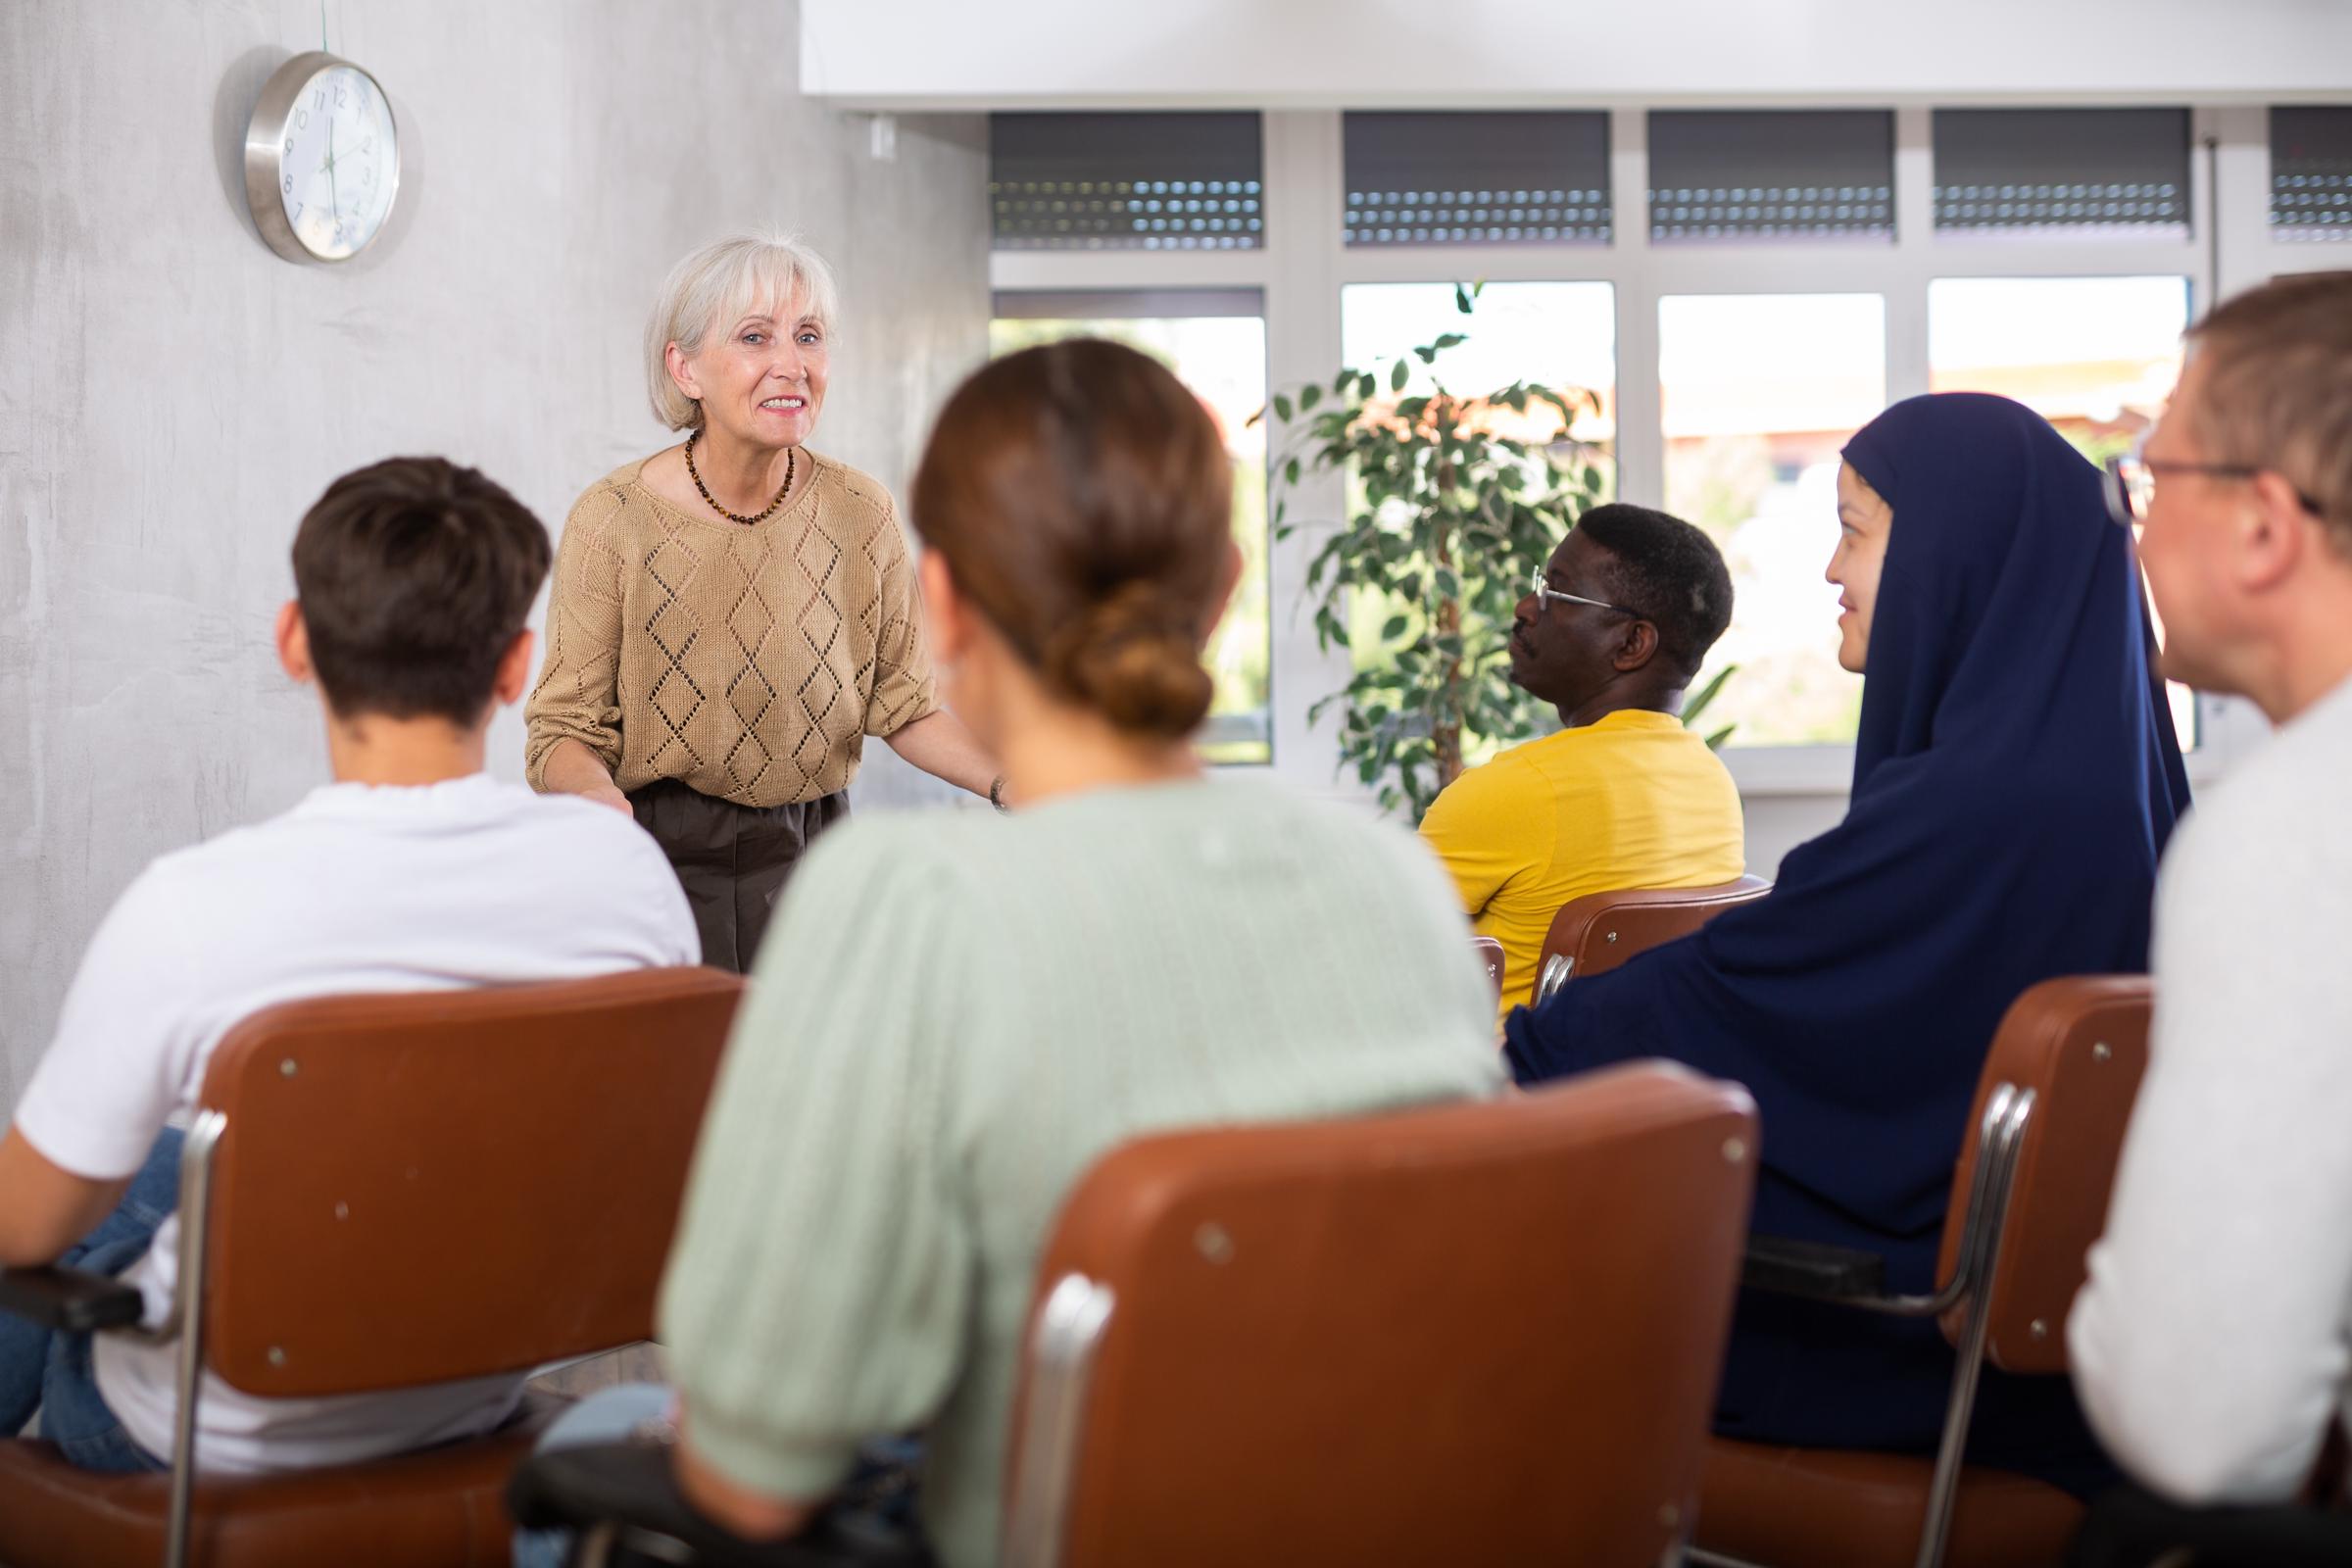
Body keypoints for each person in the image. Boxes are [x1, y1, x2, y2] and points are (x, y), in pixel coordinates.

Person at [516, 339, 1504, 1568]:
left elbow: (757, 1467)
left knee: (596, 1433)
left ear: (940, 602)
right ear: (1227, 585)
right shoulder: (1401, 890)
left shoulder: (903, 904)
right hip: (1375, 1526)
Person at [1505, 393, 2190, 1493]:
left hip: (1907, 1356)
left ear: (1956, 556)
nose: (1831, 568)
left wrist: (1515, 1051)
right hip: (2062, 1370)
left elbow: (1729, 999)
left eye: (1855, 530)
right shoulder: (2123, 793)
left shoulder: (1972, 814)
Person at [0, 457, 698, 1473]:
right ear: (515, 665)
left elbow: (24, 1228)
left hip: (209, 1438)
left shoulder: (193, 906)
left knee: (111, 1179)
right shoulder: (625, 874)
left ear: (294, 643)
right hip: (473, 1390)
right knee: (170, 1156)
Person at [525, 232, 1002, 971]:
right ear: (685, 368)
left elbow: (903, 704)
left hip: (818, 860)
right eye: (755, 337)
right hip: (660, 862)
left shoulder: (860, 511)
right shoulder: (613, 518)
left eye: (808, 336)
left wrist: (1010, 782)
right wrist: (596, 798)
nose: (792, 364)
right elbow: (562, 729)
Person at [2069, 271, 2352, 1506]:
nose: (2130, 522)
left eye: (2149, 476)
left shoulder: (2297, 832)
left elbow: (2201, 1423)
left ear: (2263, 525)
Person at [1420, 503, 1743, 1026]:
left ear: (1632, 643)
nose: (1526, 607)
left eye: (1556, 593)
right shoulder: (1713, 787)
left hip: (1505, 1094)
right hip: (1634, 1092)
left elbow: (1357, 941)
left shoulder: (1519, 790)